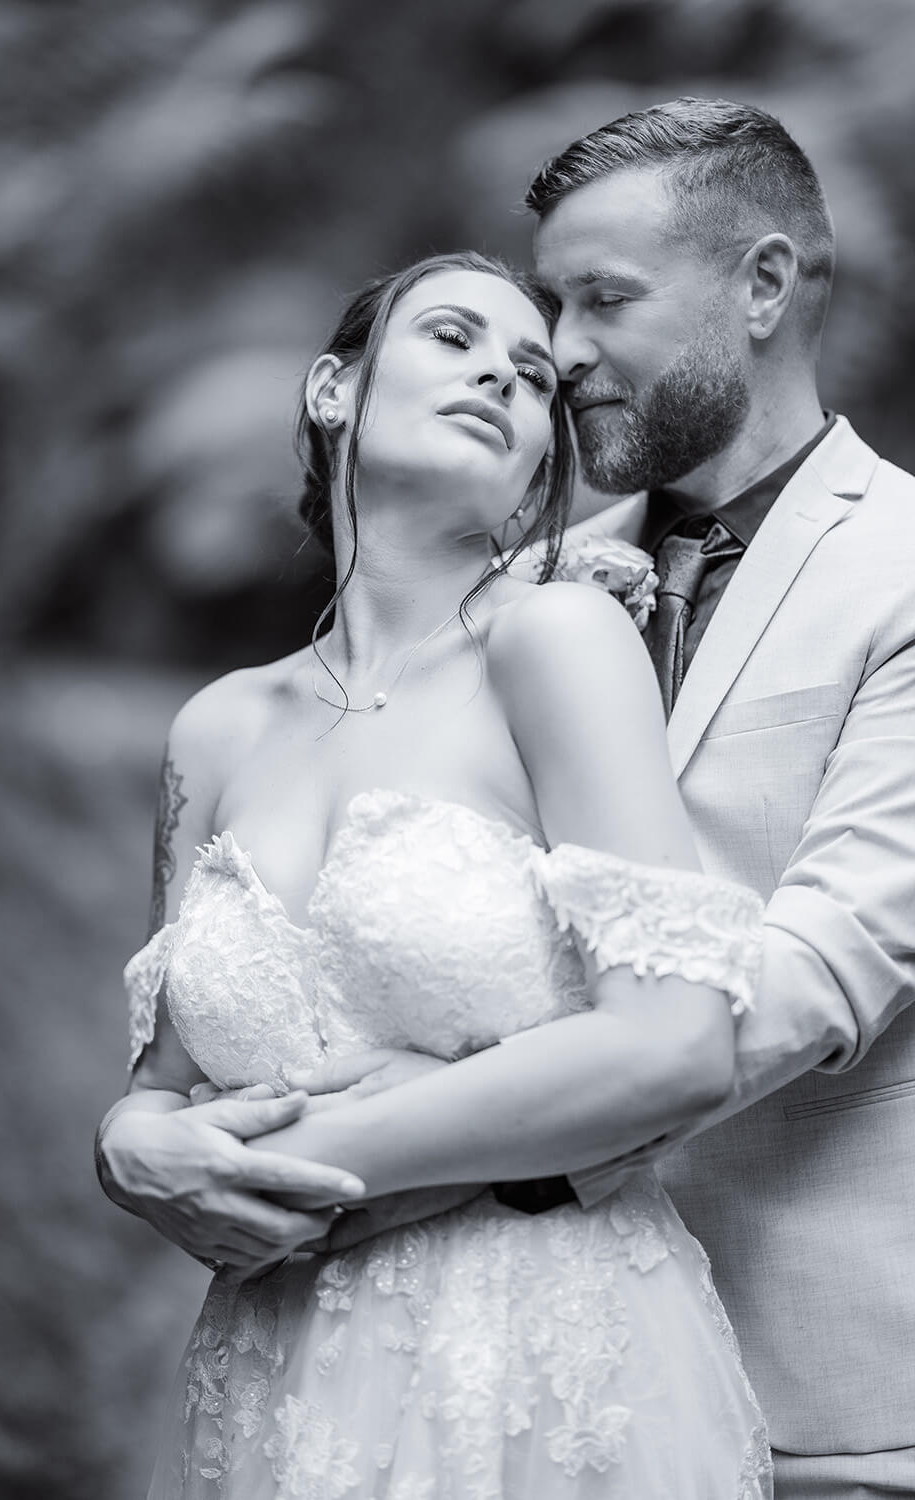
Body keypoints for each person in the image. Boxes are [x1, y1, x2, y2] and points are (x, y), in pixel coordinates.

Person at [97, 249, 772, 1497]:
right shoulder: (216, 730)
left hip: (531, 1351)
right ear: (331, 391)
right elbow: (164, 1085)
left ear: (535, 471)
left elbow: (678, 1043)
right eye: (453, 338)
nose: (499, 377)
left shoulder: (555, 642)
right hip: (276, 1376)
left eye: (530, 378)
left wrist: (336, 1154)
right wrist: (126, 1150)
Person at [521, 98, 915, 1500]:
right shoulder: (518, 591)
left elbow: (823, 970)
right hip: (519, 1372)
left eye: (604, 300)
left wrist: (456, 1153)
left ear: (762, 285)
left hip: (820, 1397)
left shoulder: (908, 568)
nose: (559, 353)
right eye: (548, 303)